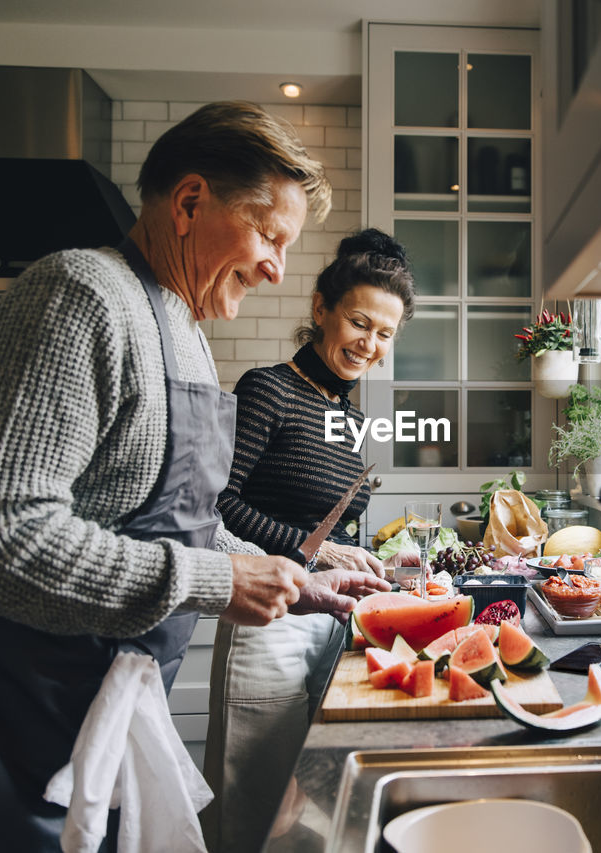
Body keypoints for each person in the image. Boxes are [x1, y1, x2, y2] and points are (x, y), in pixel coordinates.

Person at [0, 101, 391, 852]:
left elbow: (174, 522)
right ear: (191, 201)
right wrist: (215, 582)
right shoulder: (79, 295)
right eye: (269, 234)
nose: (277, 267)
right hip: (9, 724)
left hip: (104, 712)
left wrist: (296, 575)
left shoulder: (183, 333)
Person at [204, 228, 415, 852]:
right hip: (267, 617)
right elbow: (219, 506)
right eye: (359, 322)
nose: (369, 344)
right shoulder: (266, 389)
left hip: (333, 620)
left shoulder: (351, 417)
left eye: (385, 334)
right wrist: (316, 550)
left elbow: (340, 528)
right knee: (253, 801)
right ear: (321, 309)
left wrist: (381, 556)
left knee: (311, 804)